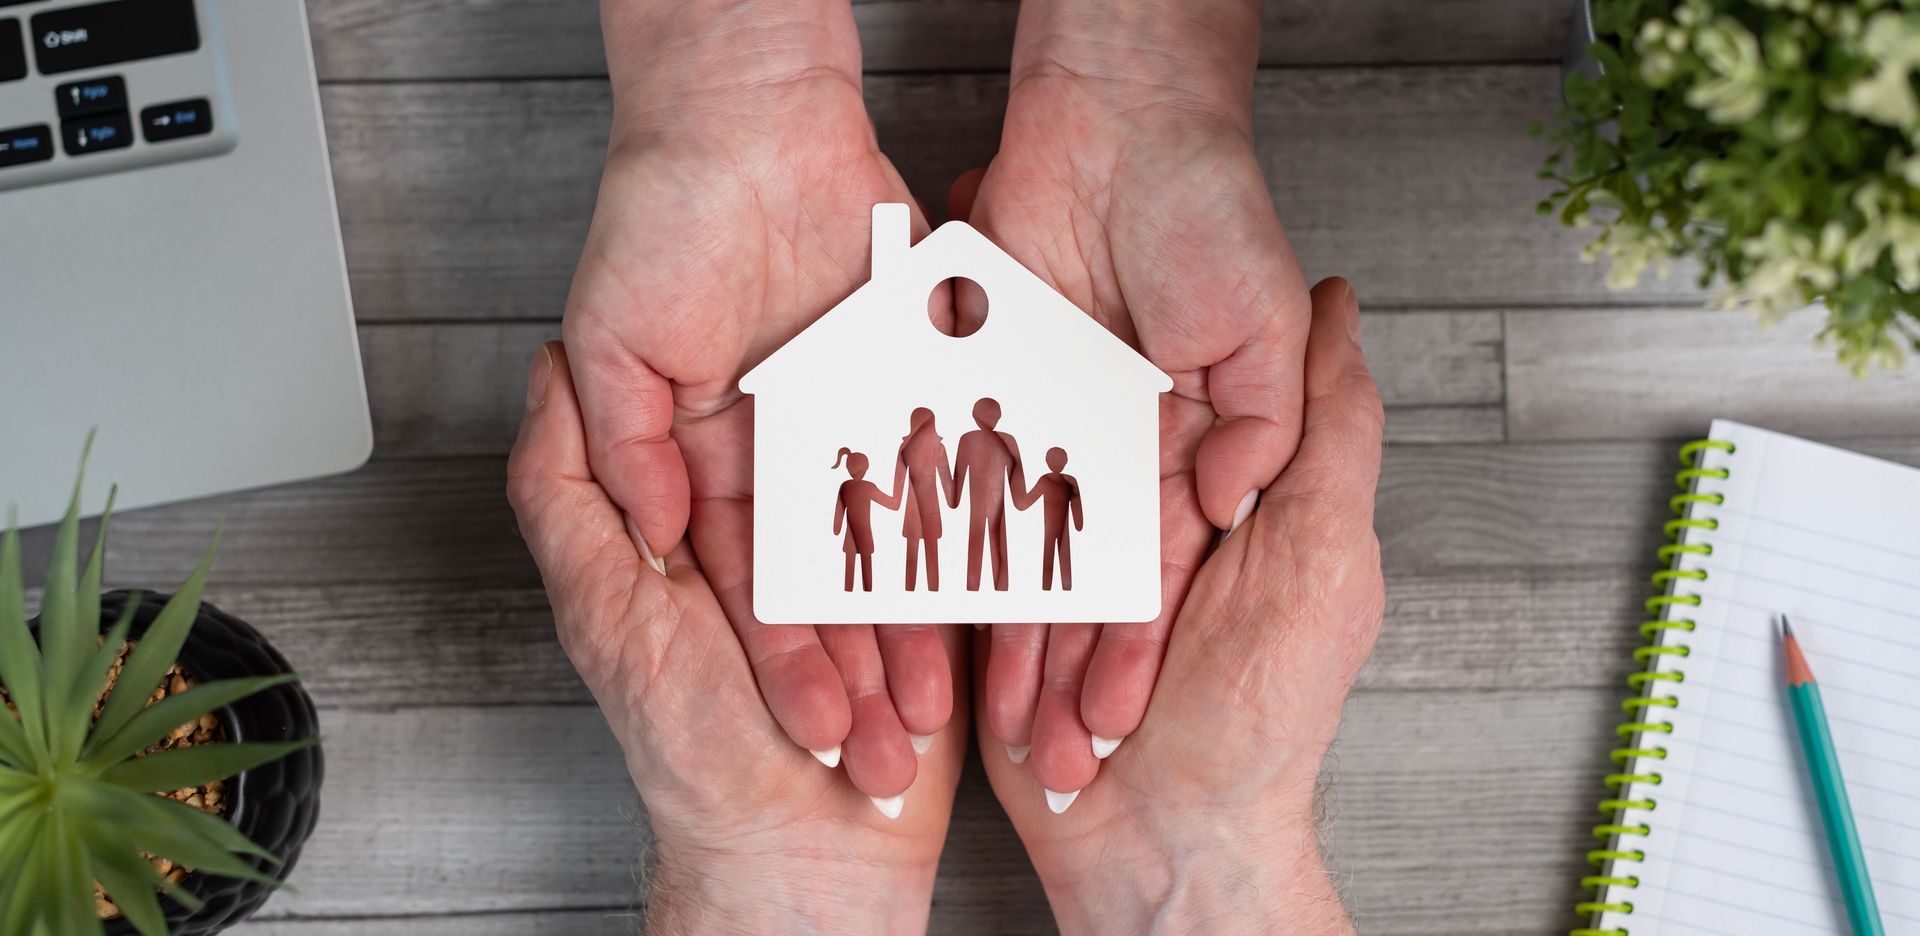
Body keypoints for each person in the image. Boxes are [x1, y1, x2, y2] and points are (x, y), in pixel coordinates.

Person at [512, 0, 1379, 930]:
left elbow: (996, 482)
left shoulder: (993, 448)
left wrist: (766, 866)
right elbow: (931, 482)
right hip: (914, 513)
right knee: (929, 558)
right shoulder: (932, 447)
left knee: (972, 558)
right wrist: (1145, 68)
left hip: (992, 514)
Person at [950, 398, 1024, 591]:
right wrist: (1021, 500)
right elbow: (1018, 482)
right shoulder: (1008, 440)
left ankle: (973, 589)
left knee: (978, 543)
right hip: (997, 506)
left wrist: (953, 499)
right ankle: (999, 590)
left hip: (979, 505)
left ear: (975, 416)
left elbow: (958, 479)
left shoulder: (967, 440)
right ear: (998, 416)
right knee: (997, 544)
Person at [893, 407, 955, 591]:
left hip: (912, 507)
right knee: (931, 553)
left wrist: (893, 502)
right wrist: (953, 500)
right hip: (931, 507)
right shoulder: (938, 448)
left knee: (911, 553)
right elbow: (947, 483)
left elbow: (898, 486)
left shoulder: (905, 449)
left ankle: (909, 592)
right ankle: (933, 592)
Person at [1013, 446, 1082, 591]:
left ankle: (1047, 587)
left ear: (1047, 461)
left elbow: (1026, 502)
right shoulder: (1070, 481)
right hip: (1061, 528)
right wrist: (1078, 523)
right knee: (1062, 556)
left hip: (1051, 528)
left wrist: (1016, 489)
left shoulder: (1047, 480)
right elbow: (1076, 505)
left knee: (1050, 556)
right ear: (1065, 461)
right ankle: (1064, 587)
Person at [832, 447, 899, 592]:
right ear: (865, 468)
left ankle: (848, 593)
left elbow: (839, 514)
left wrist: (837, 529)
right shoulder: (868, 487)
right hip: (865, 537)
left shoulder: (844, 487)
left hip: (849, 537)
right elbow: (893, 505)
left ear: (849, 469)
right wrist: (898, 490)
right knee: (866, 570)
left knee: (849, 572)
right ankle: (867, 593)